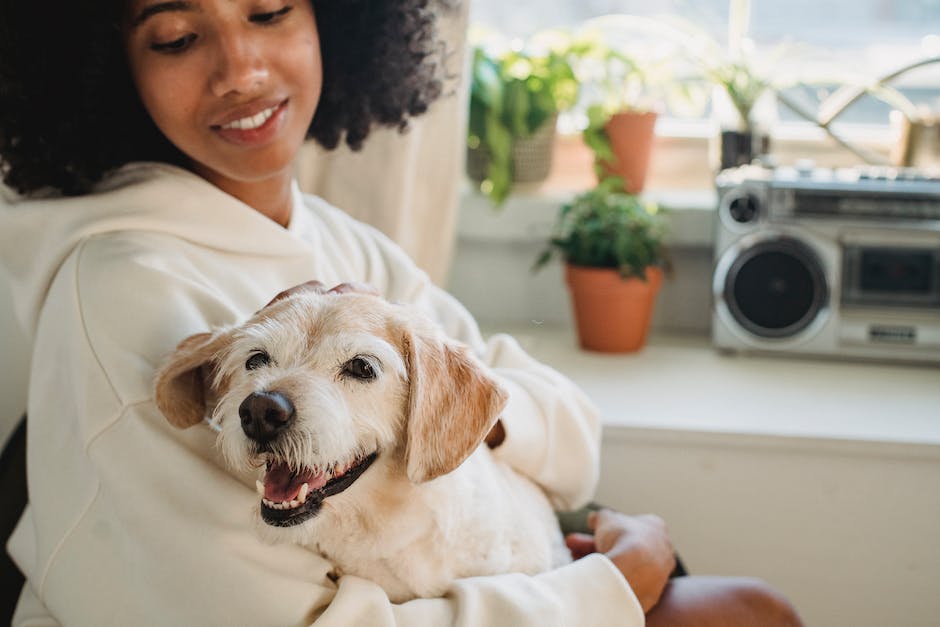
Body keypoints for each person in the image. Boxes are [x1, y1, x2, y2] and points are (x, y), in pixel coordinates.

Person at [0, 0, 803, 625]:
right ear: (111, 64)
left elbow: (567, 435)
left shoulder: (348, 249)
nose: (240, 69)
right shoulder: (120, 293)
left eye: (272, 12)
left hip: (488, 575)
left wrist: (446, 404)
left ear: (334, 24)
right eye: (175, 36)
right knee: (757, 613)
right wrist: (606, 590)